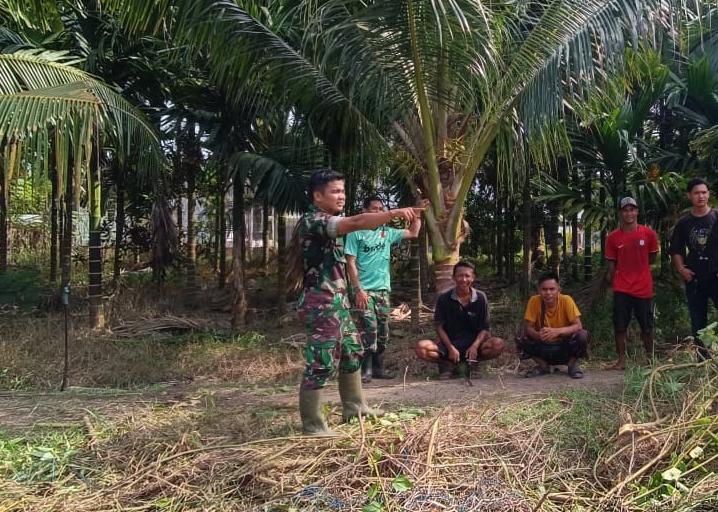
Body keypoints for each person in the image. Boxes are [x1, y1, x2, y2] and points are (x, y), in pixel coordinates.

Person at [289, 170, 424, 436]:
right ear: (317, 196)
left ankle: (355, 408)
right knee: (322, 361)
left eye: (342, 191)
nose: (341, 196)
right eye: (335, 191)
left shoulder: (332, 221)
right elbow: (359, 221)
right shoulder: (314, 221)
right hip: (321, 304)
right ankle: (313, 425)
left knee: (352, 350)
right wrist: (393, 213)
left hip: (337, 302)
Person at [346, 196, 422, 383]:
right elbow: (350, 263)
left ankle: (378, 368)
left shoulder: (386, 232)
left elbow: (413, 233)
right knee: (369, 329)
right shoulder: (355, 233)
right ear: (364, 211)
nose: (379, 212)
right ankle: (366, 370)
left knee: (383, 332)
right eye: (374, 209)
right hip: (364, 291)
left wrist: (417, 215)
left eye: (381, 209)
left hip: (382, 290)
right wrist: (358, 290)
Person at [414, 261, 505, 379]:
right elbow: (439, 327)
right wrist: (450, 348)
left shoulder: (481, 298)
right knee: (421, 347)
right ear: (453, 278)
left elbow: (485, 328)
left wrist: (475, 346)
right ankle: (446, 364)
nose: (463, 279)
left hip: (473, 344)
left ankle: (473, 363)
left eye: (467, 276)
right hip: (449, 344)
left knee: (498, 344)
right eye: (460, 276)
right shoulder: (444, 298)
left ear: (473, 278)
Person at [605, 197, 659, 370]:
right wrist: (614, 283)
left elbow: (652, 257)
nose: (629, 213)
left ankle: (650, 359)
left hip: (643, 288)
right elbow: (611, 264)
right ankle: (621, 360)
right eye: (625, 210)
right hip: (622, 288)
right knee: (620, 325)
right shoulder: (613, 237)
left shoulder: (648, 234)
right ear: (620, 213)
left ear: (637, 212)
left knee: (647, 326)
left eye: (632, 209)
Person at [670, 178, 718, 359]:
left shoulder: (716, 217)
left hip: (716, 275)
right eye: (697, 193)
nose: (701, 196)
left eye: (704, 192)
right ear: (689, 195)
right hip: (695, 278)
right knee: (698, 321)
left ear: (709, 194)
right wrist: (682, 269)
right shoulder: (684, 223)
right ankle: (702, 359)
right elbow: (676, 249)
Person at [516, 272, 589, 379]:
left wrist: (557, 332)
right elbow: (528, 327)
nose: (548, 293)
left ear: (558, 289)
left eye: (552, 289)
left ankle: (572, 365)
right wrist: (538, 335)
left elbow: (578, 326)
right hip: (543, 346)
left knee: (582, 335)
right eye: (544, 289)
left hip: (564, 346)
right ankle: (543, 366)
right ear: (539, 290)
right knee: (521, 338)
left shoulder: (566, 300)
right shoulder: (534, 301)